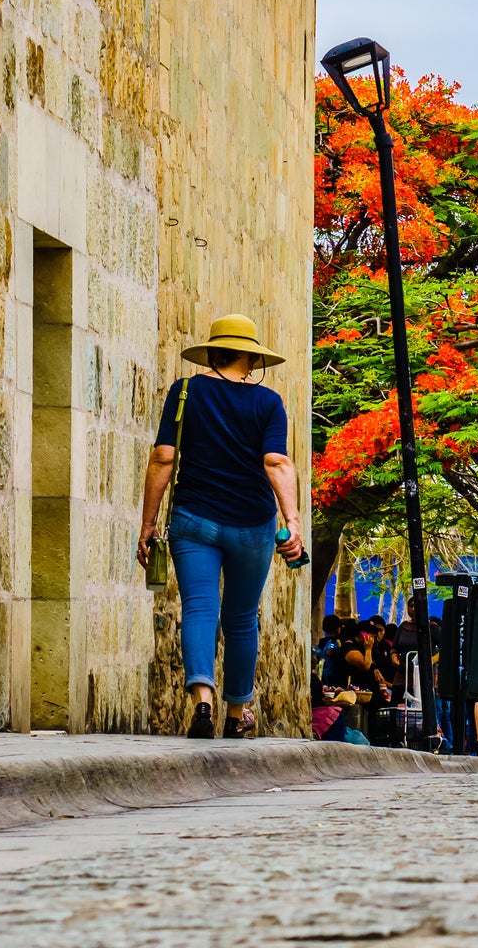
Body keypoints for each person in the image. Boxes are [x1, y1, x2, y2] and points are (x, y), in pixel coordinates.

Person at [137, 314, 303, 740]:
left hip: (194, 520)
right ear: (251, 356)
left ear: (213, 351)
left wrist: (148, 523)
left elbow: (163, 458)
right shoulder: (269, 403)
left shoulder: (186, 391)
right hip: (252, 526)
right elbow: (276, 462)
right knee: (242, 618)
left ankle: (202, 703)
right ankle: (235, 713)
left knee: (199, 608)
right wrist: (293, 522)